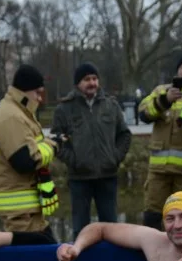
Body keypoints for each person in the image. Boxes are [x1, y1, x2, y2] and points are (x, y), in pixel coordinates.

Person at [51, 61, 132, 237]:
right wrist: (74, 161)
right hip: (79, 178)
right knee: (80, 229)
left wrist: (115, 157)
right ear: (78, 83)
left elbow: (125, 135)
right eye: (87, 79)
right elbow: (56, 142)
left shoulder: (111, 105)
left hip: (107, 176)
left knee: (112, 228)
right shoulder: (64, 108)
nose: (92, 83)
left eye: (95, 78)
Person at [0, 64, 66, 234]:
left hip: (27, 209)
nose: (40, 98)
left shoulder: (18, 110)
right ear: (25, 91)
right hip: (19, 211)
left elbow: (29, 144)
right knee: (38, 257)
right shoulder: (11, 116)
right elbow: (25, 161)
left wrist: (49, 142)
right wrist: (53, 146)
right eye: (37, 93)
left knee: (49, 254)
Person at [137, 49, 182, 230]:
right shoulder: (162, 90)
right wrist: (165, 100)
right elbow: (144, 114)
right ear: (177, 71)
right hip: (158, 172)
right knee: (153, 218)